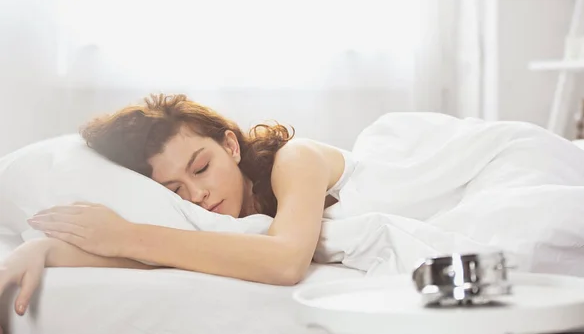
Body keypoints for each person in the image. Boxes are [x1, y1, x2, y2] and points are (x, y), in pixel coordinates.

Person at [1, 94, 351, 317]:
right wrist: (44, 249)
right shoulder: (213, 226)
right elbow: (168, 256)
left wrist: (125, 234)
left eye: (201, 168)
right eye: (175, 189)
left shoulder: (295, 158)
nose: (197, 193)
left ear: (230, 145)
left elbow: (285, 262)